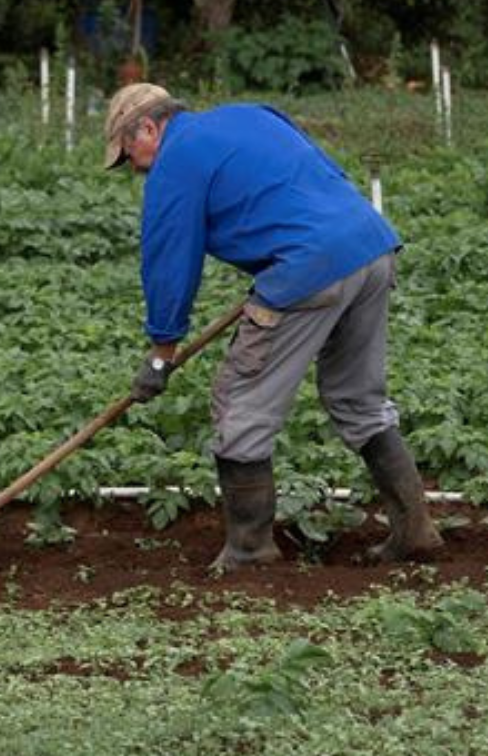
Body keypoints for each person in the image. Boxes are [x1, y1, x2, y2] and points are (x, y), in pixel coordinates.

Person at [103, 82, 441, 568]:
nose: (135, 168)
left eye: (129, 153)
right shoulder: (253, 114)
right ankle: (415, 529)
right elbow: (321, 176)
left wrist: (162, 351)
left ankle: (249, 548)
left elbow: (168, 261)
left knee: (240, 403)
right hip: (372, 247)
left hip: (309, 268)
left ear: (150, 127)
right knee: (358, 398)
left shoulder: (175, 162)